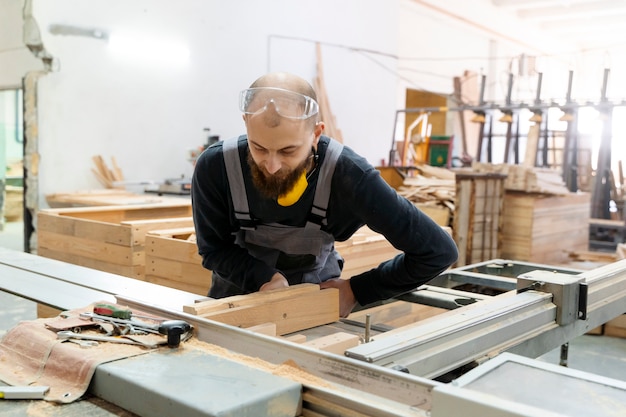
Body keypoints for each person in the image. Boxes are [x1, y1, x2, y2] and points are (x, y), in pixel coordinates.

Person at [191, 72, 458, 317]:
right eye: (259, 148)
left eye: (288, 151)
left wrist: (358, 290)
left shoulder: (349, 176)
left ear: (316, 134)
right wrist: (263, 277)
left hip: (313, 313)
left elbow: (436, 252)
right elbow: (213, 248)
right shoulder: (216, 168)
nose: (272, 166)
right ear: (246, 123)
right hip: (235, 305)